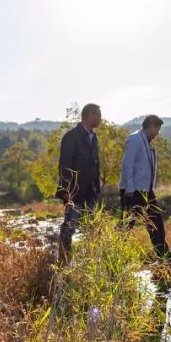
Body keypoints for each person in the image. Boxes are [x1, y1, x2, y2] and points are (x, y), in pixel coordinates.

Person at [119, 115, 171, 260]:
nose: (158, 133)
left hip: (145, 190)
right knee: (127, 224)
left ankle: (163, 254)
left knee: (156, 221)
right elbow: (127, 164)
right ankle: (113, 255)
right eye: (157, 129)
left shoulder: (145, 141)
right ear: (150, 126)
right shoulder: (135, 139)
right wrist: (129, 188)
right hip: (132, 191)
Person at [56, 103, 103, 260]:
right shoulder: (71, 137)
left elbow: (96, 164)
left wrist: (97, 186)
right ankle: (63, 260)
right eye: (99, 115)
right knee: (70, 226)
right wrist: (67, 192)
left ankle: (88, 260)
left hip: (91, 190)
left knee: (91, 226)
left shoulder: (94, 138)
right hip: (74, 191)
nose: (101, 119)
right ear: (90, 115)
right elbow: (64, 166)